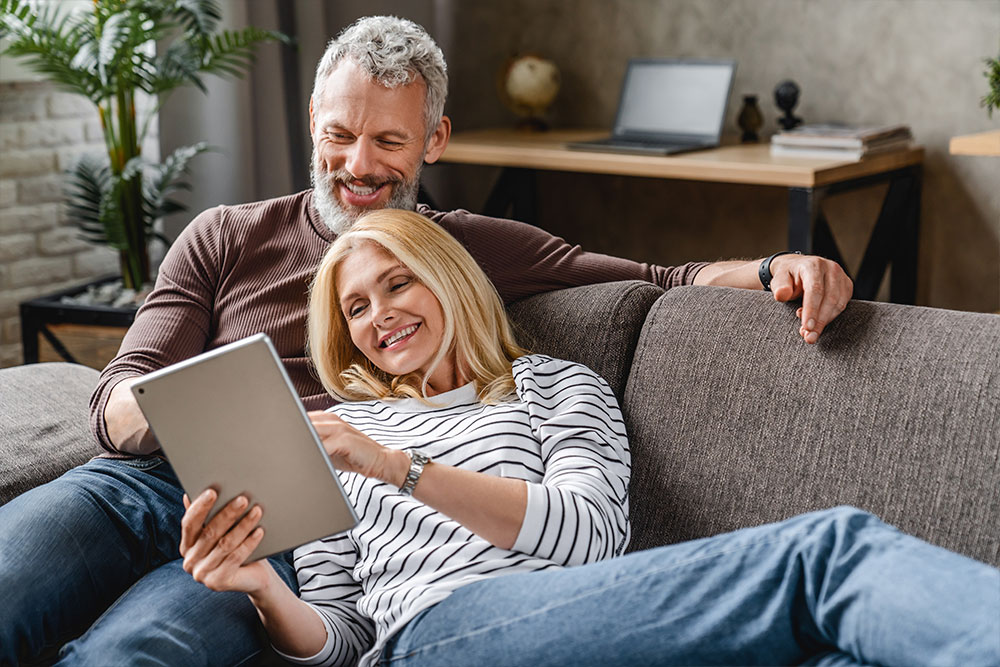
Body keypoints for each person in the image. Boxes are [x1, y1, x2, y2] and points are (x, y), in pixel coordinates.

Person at [0, 15, 854, 665]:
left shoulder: (459, 249)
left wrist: (777, 265)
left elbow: (656, 277)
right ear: (312, 120)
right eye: (339, 135)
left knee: (136, 650)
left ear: (433, 141)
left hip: (282, 524)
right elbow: (115, 400)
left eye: (388, 140)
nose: (358, 165)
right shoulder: (225, 234)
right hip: (140, 482)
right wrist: (193, 415)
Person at [178, 208, 999, 667]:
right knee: (827, 551)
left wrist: (401, 468)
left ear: (450, 278)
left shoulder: (554, 385)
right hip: (431, 639)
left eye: (398, 283)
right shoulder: (343, 433)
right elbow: (342, 637)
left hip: (570, 630)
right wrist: (261, 586)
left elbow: (590, 535)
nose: (380, 314)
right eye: (356, 307)